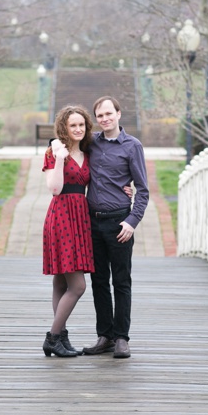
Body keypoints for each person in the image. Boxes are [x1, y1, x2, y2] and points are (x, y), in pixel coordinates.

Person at [82, 96, 149, 359]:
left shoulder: (133, 146)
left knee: (121, 282)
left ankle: (122, 338)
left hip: (119, 222)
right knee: (98, 281)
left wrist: (132, 221)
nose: (104, 118)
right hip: (92, 222)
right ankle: (105, 336)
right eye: (99, 115)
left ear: (119, 114)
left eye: (109, 113)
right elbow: (67, 143)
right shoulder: (92, 143)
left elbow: (142, 190)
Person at [41, 105, 96, 357]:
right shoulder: (54, 152)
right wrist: (61, 157)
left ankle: (61, 337)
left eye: (81, 125)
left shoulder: (88, 151)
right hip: (62, 216)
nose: (77, 129)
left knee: (61, 282)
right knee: (77, 286)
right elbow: (54, 188)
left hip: (80, 217)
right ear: (64, 127)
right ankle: (53, 337)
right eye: (72, 125)